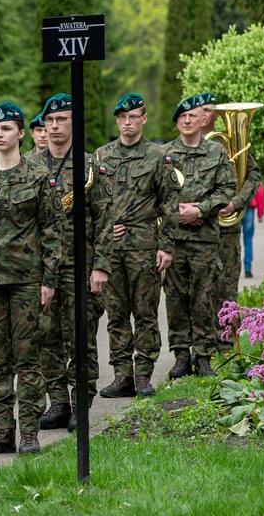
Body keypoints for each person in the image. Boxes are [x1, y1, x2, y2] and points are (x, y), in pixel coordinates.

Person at [0, 102, 63, 454]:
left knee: (28, 357)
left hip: (27, 281)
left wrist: (49, 280)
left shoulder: (37, 177)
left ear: (21, 133)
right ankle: (2, 429)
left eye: (6, 129)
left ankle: (30, 432)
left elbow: (51, 230)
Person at [28, 93, 114, 432]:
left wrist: (101, 266)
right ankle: (58, 402)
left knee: (80, 337)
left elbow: (105, 220)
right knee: (45, 338)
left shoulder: (91, 166)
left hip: (80, 265)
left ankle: (81, 403)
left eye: (61, 119)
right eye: (49, 120)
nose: (54, 125)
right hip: (41, 268)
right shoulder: (30, 165)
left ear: (73, 123)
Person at [94, 94, 180, 398]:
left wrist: (165, 246)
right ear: (117, 120)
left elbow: (169, 205)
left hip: (144, 246)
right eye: (122, 117)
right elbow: (94, 204)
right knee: (116, 314)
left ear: (144, 118)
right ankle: (122, 375)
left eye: (133, 117)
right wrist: (103, 233)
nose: (127, 123)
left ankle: (143, 373)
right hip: (111, 250)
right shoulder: (101, 156)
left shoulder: (157, 156)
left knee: (145, 313)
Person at [164, 97, 236, 378]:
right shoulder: (165, 153)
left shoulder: (216, 153)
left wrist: (200, 209)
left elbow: (227, 188)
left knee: (204, 298)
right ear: (177, 122)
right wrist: (176, 211)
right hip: (174, 239)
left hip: (205, 238)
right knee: (175, 299)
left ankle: (204, 355)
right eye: (182, 117)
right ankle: (182, 355)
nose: (187, 120)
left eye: (193, 116)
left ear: (202, 119)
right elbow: (155, 193)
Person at [198, 92, 261, 353]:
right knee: (198, 292)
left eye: (209, 110)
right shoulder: (180, 146)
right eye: (199, 110)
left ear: (216, 114)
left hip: (226, 231)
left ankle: (227, 349)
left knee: (226, 289)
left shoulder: (230, 144)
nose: (203, 115)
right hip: (197, 231)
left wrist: (236, 203)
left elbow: (253, 175)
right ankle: (199, 349)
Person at [242, 182, 264, 278]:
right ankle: (247, 269)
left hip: (234, 208)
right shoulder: (252, 169)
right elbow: (260, 194)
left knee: (232, 239)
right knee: (248, 240)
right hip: (249, 208)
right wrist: (260, 213)